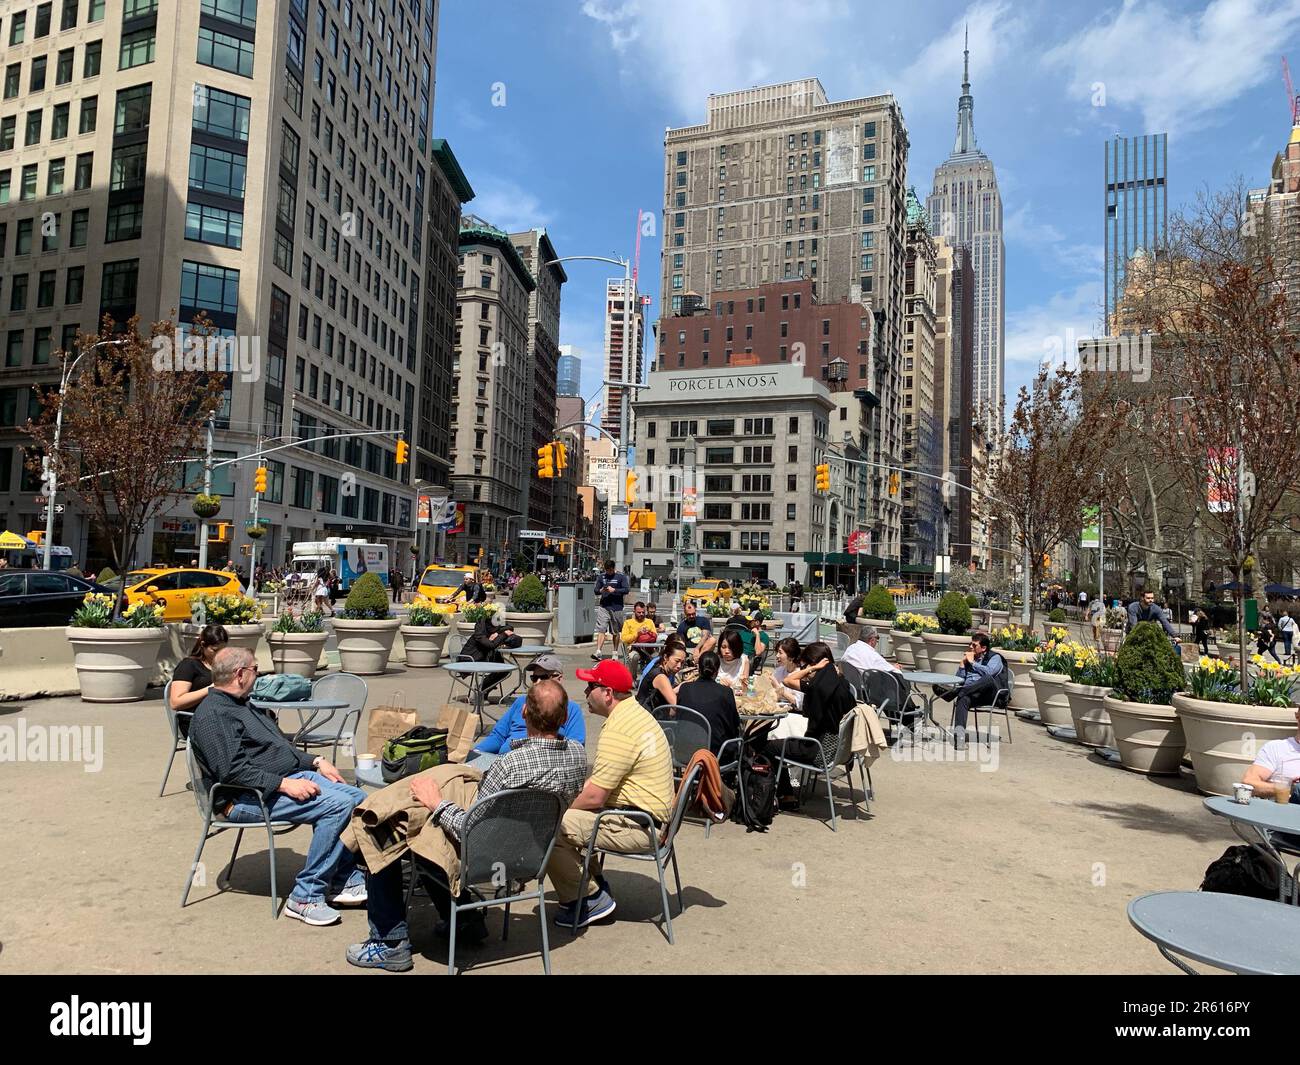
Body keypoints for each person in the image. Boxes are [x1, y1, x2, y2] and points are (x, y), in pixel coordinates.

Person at [348, 680, 589, 971]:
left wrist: (435, 802)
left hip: (484, 857)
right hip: (531, 857)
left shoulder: (509, 764)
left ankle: (389, 942)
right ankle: (463, 920)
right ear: (564, 718)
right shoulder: (577, 756)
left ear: (523, 712)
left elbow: (469, 828)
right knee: (424, 830)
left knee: (389, 829)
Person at [188, 647, 367, 926]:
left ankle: (343, 878)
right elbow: (232, 771)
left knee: (358, 798)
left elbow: (280, 747)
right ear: (239, 675)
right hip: (245, 799)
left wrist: (316, 761)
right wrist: (283, 784)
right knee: (337, 807)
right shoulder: (215, 715)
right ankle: (305, 896)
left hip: (281, 780)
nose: (258, 674)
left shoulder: (242, 703)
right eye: (255, 669)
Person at [548, 660, 674, 928]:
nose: (584, 692)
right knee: (576, 813)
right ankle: (593, 885)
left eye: (590, 686)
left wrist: (558, 807)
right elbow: (600, 785)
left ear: (607, 693)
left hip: (638, 825)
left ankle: (589, 898)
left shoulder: (621, 728)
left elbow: (594, 797)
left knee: (548, 825)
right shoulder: (633, 715)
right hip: (646, 819)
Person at [775, 641, 856, 809]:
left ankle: (786, 795)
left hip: (818, 751)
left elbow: (788, 680)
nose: (805, 672)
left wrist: (812, 669)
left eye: (805, 666)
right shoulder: (842, 684)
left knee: (767, 746)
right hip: (838, 751)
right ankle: (786, 793)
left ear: (816, 665)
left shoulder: (817, 687)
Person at [466, 654, 586, 768]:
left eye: (543, 677)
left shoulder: (571, 709)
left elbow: (575, 748)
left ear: (559, 679)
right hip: (502, 761)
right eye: (534, 678)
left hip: (539, 764)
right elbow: (498, 735)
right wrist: (477, 753)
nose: (537, 682)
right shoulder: (520, 702)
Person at [937, 632, 1009, 750]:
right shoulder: (970, 658)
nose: (971, 647)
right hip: (973, 694)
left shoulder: (995, 658)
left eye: (974, 645)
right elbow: (959, 680)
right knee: (963, 699)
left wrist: (972, 663)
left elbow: (990, 672)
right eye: (970, 644)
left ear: (984, 647)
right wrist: (962, 664)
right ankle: (959, 741)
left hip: (992, 695)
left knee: (987, 678)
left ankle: (954, 693)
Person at [673, 651, 741, 756]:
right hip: (715, 754)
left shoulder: (685, 688)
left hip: (684, 751)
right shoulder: (726, 692)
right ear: (717, 671)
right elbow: (734, 724)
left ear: (698, 669)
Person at [169, 624, 229, 732]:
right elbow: (176, 702)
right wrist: (211, 688)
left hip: (222, 714)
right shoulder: (188, 665)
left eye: (223, 650)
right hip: (195, 720)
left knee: (263, 717)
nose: (220, 654)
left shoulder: (225, 664)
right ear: (203, 645)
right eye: (215, 650)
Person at [462, 611, 522, 700]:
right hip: (471, 659)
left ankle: (484, 689)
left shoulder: (493, 631)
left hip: (485, 657)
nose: (496, 626)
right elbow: (491, 645)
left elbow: (509, 627)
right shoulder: (479, 635)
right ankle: (481, 689)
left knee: (504, 670)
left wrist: (498, 633)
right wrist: (504, 634)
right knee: (501, 670)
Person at [592, 560, 631, 661]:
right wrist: (601, 590)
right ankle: (598, 651)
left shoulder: (621, 577)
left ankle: (615, 652)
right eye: (607, 570)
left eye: (610, 570)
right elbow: (596, 590)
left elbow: (626, 589)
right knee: (601, 629)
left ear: (613, 568)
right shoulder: (602, 577)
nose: (608, 572)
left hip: (617, 607)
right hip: (604, 606)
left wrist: (614, 590)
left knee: (615, 631)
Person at [635, 642, 685, 713]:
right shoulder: (660, 677)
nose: (679, 666)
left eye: (682, 663)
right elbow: (676, 706)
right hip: (645, 717)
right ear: (665, 657)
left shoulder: (658, 667)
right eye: (677, 661)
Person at [619, 601, 659, 670]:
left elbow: (655, 636)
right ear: (634, 611)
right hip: (635, 650)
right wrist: (637, 634)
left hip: (649, 650)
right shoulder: (628, 623)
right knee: (633, 657)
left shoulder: (649, 622)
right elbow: (624, 638)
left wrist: (648, 632)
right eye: (639, 612)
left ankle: (651, 678)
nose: (641, 614)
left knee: (658, 657)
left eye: (643, 612)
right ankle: (633, 678)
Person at [771, 637, 804, 710]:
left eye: (780, 652)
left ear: (791, 657)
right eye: (777, 652)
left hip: (794, 715)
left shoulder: (801, 674)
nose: (777, 656)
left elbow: (798, 703)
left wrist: (778, 687)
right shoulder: (779, 671)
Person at [715, 628, 750, 692]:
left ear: (737, 647)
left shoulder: (744, 660)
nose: (727, 651)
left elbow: (745, 688)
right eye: (723, 647)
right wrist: (717, 681)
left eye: (731, 648)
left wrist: (742, 684)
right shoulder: (716, 659)